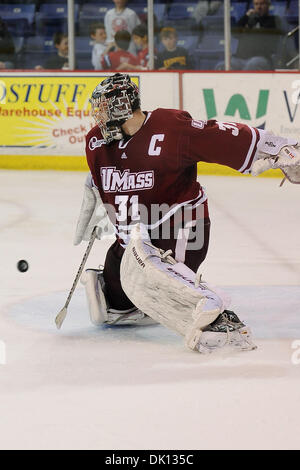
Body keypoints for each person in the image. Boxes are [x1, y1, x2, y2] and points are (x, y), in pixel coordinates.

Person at [74, 73, 300, 354]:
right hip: (132, 241)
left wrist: (279, 146)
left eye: (103, 108)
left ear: (121, 106)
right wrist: (97, 197)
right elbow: (104, 174)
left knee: (154, 277)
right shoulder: (96, 141)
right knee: (111, 305)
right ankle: (146, 298)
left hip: (179, 228)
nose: (98, 116)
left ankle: (219, 320)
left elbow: (219, 136)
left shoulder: (169, 128)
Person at [216, 0, 286, 70]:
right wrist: (246, 16)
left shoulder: (274, 20)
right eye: (256, 4)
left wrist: (249, 26)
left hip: (261, 57)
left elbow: (263, 33)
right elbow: (235, 33)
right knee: (221, 66)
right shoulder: (249, 19)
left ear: (268, 5)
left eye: (262, 4)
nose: (259, 7)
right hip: (239, 58)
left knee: (251, 66)